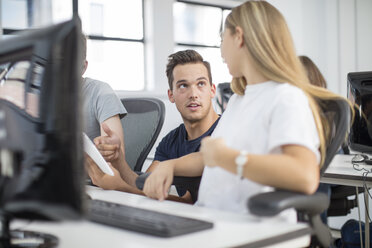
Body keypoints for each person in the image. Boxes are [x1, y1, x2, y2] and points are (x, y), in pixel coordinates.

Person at [142, 1, 352, 221]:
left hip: (252, 227)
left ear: (238, 37)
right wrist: (170, 165)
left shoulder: (286, 97)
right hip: (213, 218)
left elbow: (305, 176)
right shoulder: (238, 100)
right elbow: (210, 158)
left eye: (223, 40)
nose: (221, 50)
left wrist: (228, 158)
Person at [87, 50, 220, 203]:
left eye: (201, 84)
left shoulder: (225, 130)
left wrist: (120, 187)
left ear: (212, 90)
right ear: (171, 95)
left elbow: (190, 203)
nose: (193, 94)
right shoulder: (171, 141)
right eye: (183, 86)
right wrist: (118, 160)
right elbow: (144, 186)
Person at [79, 34, 127, 162]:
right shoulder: (41, 96)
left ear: (83, 67)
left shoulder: (101, 92)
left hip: (89, 177)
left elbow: (116, 160)